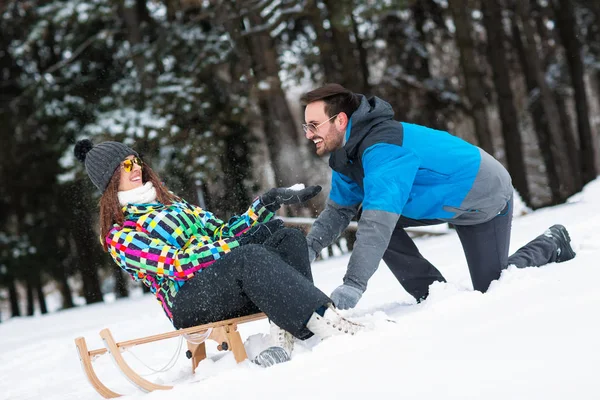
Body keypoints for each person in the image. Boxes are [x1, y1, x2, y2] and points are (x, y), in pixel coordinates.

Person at [73, 138, 363, 367]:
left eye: (135, 161)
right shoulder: (120, 233)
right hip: (188, 302)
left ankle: (284, 335)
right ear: (110, 179)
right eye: (125, 166)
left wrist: (266, 204)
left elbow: (222, 234)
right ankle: (327, 323)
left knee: (286, 237)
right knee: (247, 255)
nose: (136, 168)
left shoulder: (173, 204)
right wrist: (240, 244)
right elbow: (177, 264)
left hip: (223, 284)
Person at [301, 83, 576, 310]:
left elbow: (378, 223)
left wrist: (353, 284)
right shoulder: (346, 154)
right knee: (371, 219)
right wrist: (308, 249)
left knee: (494, 286)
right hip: (439, 198)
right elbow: (339, 211)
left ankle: (551, 243)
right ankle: (433, 295)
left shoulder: (383, 149)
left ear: (340, 120)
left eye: (314, 125)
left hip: (482, 193)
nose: (309, 134)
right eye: (306, 127)